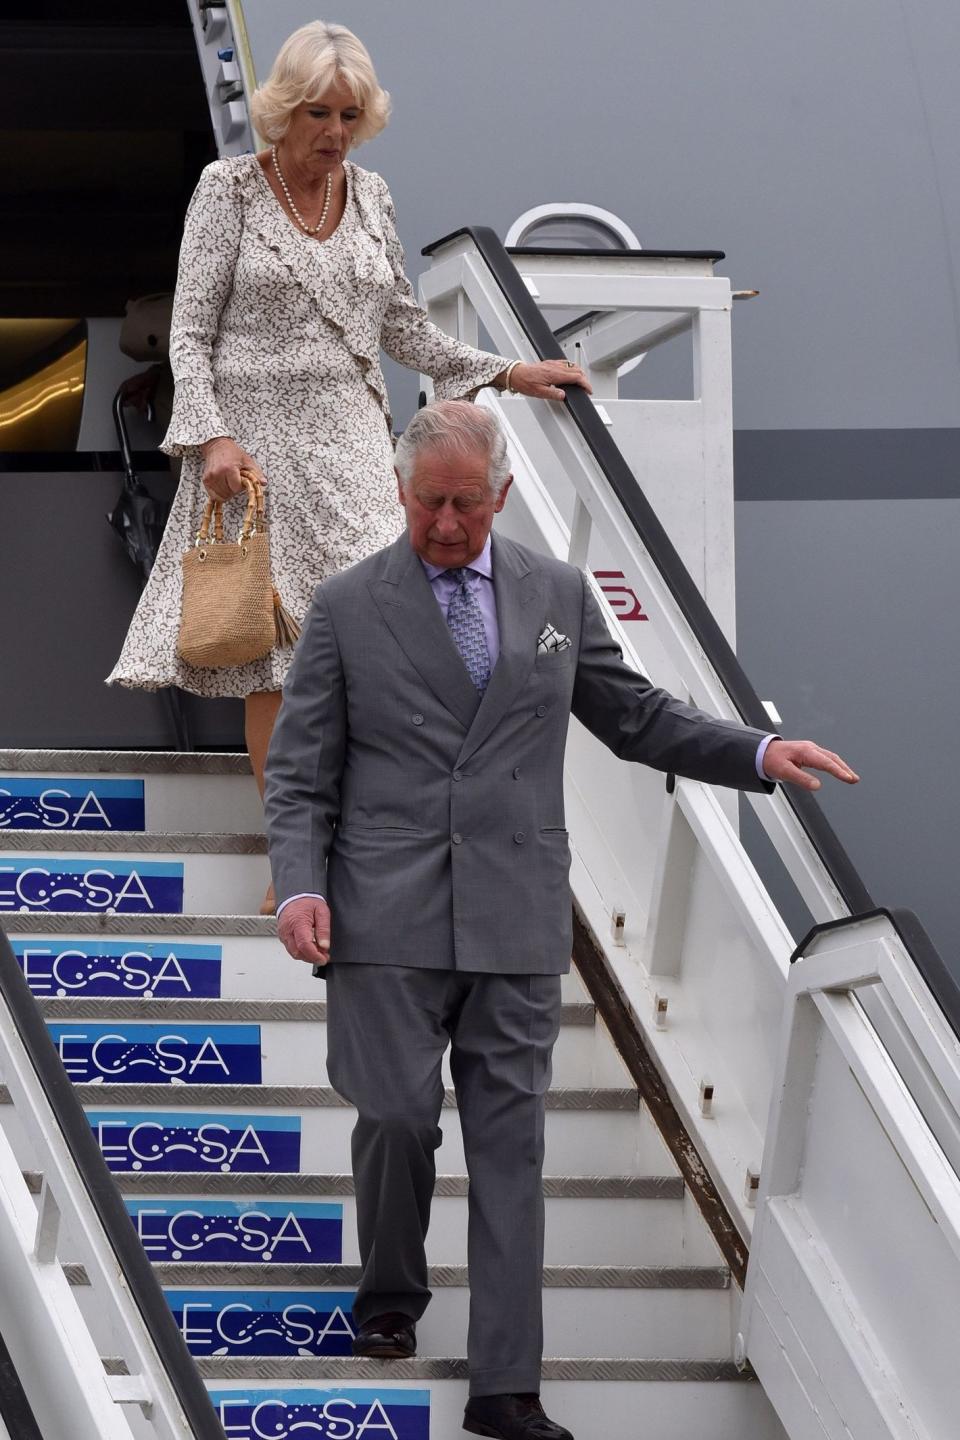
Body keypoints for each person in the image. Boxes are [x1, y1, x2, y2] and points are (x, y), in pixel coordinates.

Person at [263, 401, 859, 1440]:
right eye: (427, 502)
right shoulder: (347, 607)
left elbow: (637, 718)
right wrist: (303, 885)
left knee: (510, 1149)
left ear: (500, 494)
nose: (446, 524)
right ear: (402, 492)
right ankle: (391, 1292)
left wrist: (758, 755)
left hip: (515, 913)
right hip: (384, 915)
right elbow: (302, 773)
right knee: (398, 1118)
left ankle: (505, 1387)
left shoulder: (558, 595)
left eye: (465, 504)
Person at [106, 20, 589, 912]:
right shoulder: (228, 192)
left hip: (356, 449)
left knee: (392, 642)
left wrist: (504, 370)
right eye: (319, 112)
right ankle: (297, 868)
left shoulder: (372, 197)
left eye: (349, 114)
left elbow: (399, 325)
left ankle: (376, 843)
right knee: (278, 666)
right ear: (284, 109)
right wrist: (209, 439)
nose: (334, 131)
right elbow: (190, 331)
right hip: (253, 458)